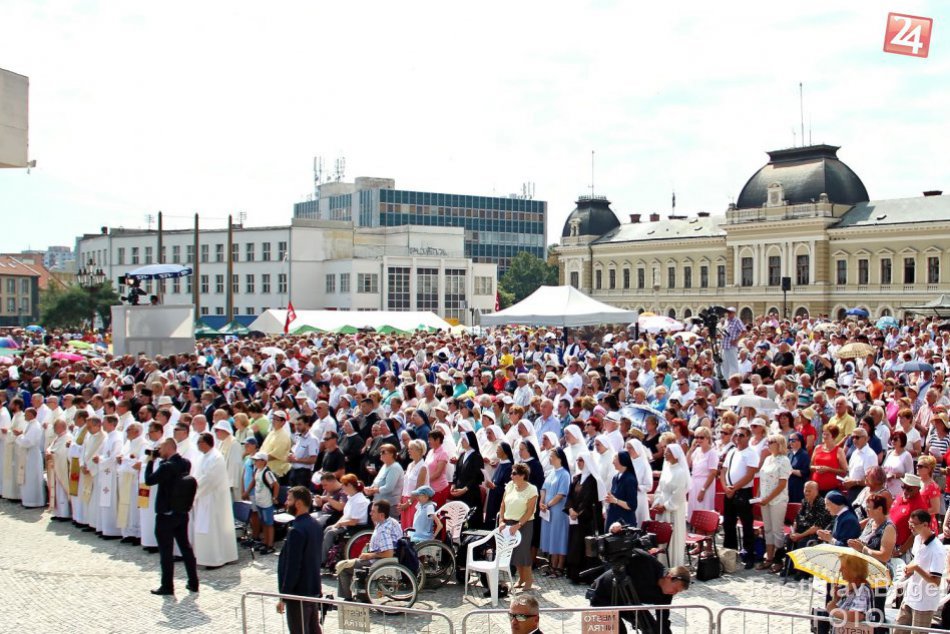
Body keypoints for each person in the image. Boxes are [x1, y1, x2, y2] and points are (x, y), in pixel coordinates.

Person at [589, 538, 691, 634]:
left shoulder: (666, 594)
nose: (674, 593)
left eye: (678, 592)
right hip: (602, 595)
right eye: (675, 589)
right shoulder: (647, 562)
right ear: (669, 576)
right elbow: (630, 547)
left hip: (628, 601)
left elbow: (662, 622)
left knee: (652, 630)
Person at [144, 438, 199, 595]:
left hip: (166, 514)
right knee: (186, 548)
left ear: (168, 448)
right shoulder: (186, 463)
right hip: (181, 512)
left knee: (166, 552)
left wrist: (150, 461)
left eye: (160, 448)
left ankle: (167, 586)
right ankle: (193, 582)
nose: (158, 452)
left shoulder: (166, 466)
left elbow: (149, 480)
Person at [276, 486, 324, 634]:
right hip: (312, 587)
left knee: (300, 630)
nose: (286, 502)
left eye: (289, 499)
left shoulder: (297, 530)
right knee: (313, 628)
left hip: (298, 592)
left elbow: (293, 566)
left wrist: (284, 595)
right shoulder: (315, 525)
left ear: (298, 503)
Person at [335, 500, 402, 601]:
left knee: (343, 568)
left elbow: (388, 553)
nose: (370, 513)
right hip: (384, 558)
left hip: (377, 562)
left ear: (382, 515)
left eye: (373, 511)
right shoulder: (391, 521)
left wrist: (370, 555)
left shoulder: (383, 531)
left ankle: (348, 599)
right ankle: (361, 594)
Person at [847, 493, 895, 625]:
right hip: (862, 572)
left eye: (869, 508)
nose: (866, 511)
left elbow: (885, 556)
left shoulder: (888, 527)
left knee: (876, 612)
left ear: (879, 509)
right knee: (859, 610)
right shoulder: (870, 523)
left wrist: (863, 549)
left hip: (879, 574)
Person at [193, 432, 239, 568]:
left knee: (214, 528)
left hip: (214, 499)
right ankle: (205, 557)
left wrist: (195, 487)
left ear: (205, 443)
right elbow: (197, 474)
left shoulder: (216, 457)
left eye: (199, 442)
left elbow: (211, 478)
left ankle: (216, 558)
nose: (197, 445)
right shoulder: (203, 457)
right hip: (204, 497)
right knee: (205, 528)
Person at [897, 509, 945, 633]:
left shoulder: (937, 550)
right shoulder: (917, 539)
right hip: (910, 596)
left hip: (925, 603)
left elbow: (935, 582)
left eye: (913, 525)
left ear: (925, 525)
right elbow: (916, 560)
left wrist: (916, 568)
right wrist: (909, 568)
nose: (910, 528)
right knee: (898, 630)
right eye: (909, 524)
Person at [721, 422, 759, 569]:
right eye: (736, 434)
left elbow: (750, 475)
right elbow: (723, 471)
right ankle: (730, 553)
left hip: (743, 491)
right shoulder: (732, 451)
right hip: (729, 491)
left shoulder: (751, 453)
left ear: (748, 437)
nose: (738, 437)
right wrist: (726, 487)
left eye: (741, 435)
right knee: (728, 523)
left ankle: (749, 554)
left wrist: (734, 488)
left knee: (746, 524)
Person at [499, 462, 539, 591]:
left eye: (514, 473)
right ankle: (521, 578)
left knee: (523, 552)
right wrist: (501, 520)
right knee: (514, 552)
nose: (511, 476)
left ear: (522, 475)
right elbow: (503, 504)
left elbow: (530, 511)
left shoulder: (532, 489)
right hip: (509, 523)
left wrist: (519, 525)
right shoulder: (510, 486)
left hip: (524, 524)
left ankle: (529, 580)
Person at [564, 453, 604, 583]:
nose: (578, 462)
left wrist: (578, 512)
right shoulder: (576, 478)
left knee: (585, 547)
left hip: (587, 521)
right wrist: (570, 509)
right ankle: (574, 575)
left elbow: (589, 500)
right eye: (577, 460)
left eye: (581, 460)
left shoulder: (593, 480)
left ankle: (587, 577)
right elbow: (569, 496)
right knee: (574, 546)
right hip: (575, 519)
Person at [755, 434, 791, 571]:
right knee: (768, 529)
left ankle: (779, 559)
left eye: (771, 442)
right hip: (765, 499)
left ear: (779, 443)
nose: (768, 444)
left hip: (777, 500)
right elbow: (762, 479)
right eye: (768, 442)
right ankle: (769, 557)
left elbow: (782, 483)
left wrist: (768, 498)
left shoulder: (784, 460)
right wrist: (759, 496)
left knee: (777, 530)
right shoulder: (768, 459)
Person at [652, 444, 689, 568]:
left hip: (673, 509)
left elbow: (679, 492)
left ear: (675, 455)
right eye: (665, 451)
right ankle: (662, 563)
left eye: (668, 452)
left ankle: (673, 565)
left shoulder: (680, 472)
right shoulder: (667, 468)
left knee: (673, 537)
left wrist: (666, 506)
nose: (664, 453)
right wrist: (657, 502)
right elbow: (660, 488)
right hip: (662, 507)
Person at [321, 474, 370, 563]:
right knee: (329, 528)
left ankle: (321, 560)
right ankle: (323, 555)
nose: (342, 487)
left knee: (331, 532)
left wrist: (340, 524)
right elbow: (345, 515)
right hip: (348, 524)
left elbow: (354, 521)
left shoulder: (359, 501)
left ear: (350, 486)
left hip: (356, 527)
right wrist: (336, 524)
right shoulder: (352, 498)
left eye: (344, 485)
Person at [540, 448, 571, 577]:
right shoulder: (551, 472)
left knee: (559, 537)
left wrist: (547, 504)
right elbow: (543, 489)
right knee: (551, 537)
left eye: (552, 455)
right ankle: (552, 564)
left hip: (558, 511)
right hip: (547, 510)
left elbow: (561, 494)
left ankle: (560, 566)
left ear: (559, 458)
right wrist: (541, 502)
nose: (550, 458)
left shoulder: (564, 474)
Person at [826, 554, 874, 627]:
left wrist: (833, 611)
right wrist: (835, 599)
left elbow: (856, 616)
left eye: (843, 567)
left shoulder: (863, 589)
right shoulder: (850, 587)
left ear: (852, 569)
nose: (840, 570)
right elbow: (834, 608)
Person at [247, 451, 281, 555]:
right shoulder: (257, 470)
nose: (255, 462)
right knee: (263, 522)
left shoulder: (267, 472)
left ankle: (270, 545)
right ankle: (265, 542)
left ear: (263, 461)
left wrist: (274, 497)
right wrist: (247, 492)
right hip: (259, 501)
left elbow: (276, 485)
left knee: (269, 524)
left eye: (257, 460)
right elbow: (254, 482)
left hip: (266, 502)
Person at [451, 431, 485, 527]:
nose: (461, 441)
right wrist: (453, 484)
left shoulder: (477, 457)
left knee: (470, 521)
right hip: (459, 492)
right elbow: (456, 472)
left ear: (470, 441)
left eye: (464, 439)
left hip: (471, 494)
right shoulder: (462, 455)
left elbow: (477, 477)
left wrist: (465, 489)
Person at [14, 407, 46, 508]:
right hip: (27, 455)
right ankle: (27, 500)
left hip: (32, 456)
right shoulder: (29, 424)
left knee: (32, 478)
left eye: (26, 414)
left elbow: (29, 442)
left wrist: (19, 436)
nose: (24, 416)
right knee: (27, 478)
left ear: (31, 414)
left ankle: (34, 501)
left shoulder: (35, 426)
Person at [685, 427, 718, 520]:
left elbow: (713, 473)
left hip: (705, 483)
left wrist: (703, 490)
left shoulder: (712, 453)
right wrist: (691, 450)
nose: (699, 440)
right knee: (693, 509)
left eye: (702, 437)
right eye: (697, 437)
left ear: (708, 438)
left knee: (703, 510)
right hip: (694, 482)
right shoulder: (696, 451)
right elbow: (687, 464)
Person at [46, 419, 73, 520]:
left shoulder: (68, 437)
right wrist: (49, 452)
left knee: (62, 491)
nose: (54, 429)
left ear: (62, 427)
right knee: (56, 490)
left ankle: (64, 513)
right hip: (55, 468)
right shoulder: (58, 437)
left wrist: (52, 454)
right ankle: (57, 512)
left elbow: (63, 453)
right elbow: (51, 447)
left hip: (62, 468)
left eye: (55, 427)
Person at [811, 424, 848, 496]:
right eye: (823, 434)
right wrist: (816, 468)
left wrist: (828, 469)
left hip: (831, 489)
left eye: (827, 435)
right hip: (816, 488)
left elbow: (844, 471)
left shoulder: (839, 451)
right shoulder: (817, 448)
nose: (824, 436)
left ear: (833, 437)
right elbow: (810, 466)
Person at [484, 442, 514, 527]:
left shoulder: (509, 467)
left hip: (500, 501)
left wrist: (494, 487)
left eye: (498, 449)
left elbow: (508, 488)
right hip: (493, 498)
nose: (496, 451)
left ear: (504, 451)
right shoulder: (501, 464)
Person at [721, 307, 744, 380]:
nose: (728, 314)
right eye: (728, 312)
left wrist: (736, 340)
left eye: (730, 312)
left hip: (731, 346)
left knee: (733, 365)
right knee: (725, 365)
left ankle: (735, 380)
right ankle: (726, 380)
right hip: (724, 346)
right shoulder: (726, 321)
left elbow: (744, 331)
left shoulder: (737, 321)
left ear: (734, 313)